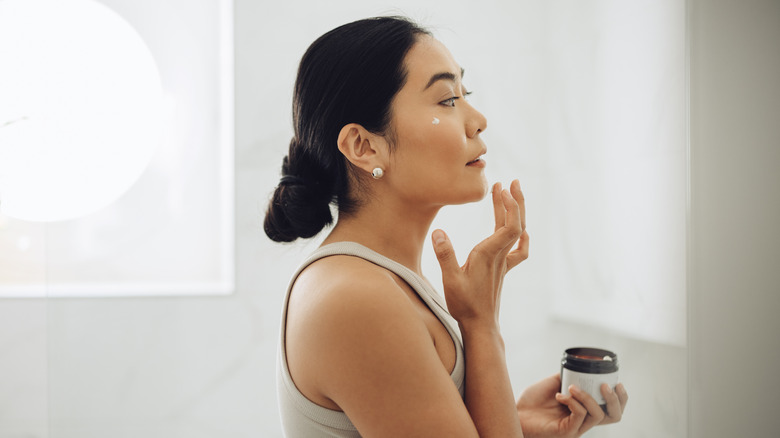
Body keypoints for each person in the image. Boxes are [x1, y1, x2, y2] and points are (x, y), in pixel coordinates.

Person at [264, 16, 628, 437]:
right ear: (363, 147)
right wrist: (481, 326)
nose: (478, 120)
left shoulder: (380, 280)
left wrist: (517, 424)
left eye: (464, 93)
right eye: (446, 100)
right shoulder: (357, 298)